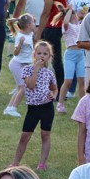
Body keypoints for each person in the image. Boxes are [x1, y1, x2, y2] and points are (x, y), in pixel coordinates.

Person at [13, 41, 59, 171]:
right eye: (39, 53)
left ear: (49, 56)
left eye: (45, 53)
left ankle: (42, 163)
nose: (42, 56)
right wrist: (36, 69)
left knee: (45, 134)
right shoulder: (27, 69)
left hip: (46, 107)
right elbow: (31, 85)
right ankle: (15, 162)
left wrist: (53, 95)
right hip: (33, 108)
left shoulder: (49, 73)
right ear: (34, 55)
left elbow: (55, 89)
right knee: (25, 135)